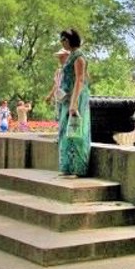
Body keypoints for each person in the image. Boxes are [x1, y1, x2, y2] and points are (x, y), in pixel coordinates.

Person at [56, 28, 91, 178]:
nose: (62, 42)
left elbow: (80, 80)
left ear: (71, 40)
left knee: (76, 132)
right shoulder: (71, 56)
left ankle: (78, 168)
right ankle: (67, 167)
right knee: (65, 131)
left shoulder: (79, 57)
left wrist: (74, 102)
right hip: (67, 98)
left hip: (76, 98)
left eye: (64, 39)